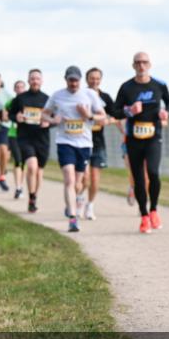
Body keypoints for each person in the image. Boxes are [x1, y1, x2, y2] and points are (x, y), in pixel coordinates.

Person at [112, 52, 169, 233]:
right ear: (133, 65)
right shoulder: (126, 87)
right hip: (134, 138)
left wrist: (166, 113)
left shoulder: (159, 85)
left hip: (154, 136)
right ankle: (144, 216)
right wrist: (130, 110)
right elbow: (115, 112)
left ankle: (154, 210)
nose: (141, 65)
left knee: (153, 173)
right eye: (138, 63)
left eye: (144, 62)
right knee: (138, 178)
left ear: (150, 64)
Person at [42, 65, 106, 232]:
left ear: (80, 80)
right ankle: (72, 218)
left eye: (76, 80)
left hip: (84, 144)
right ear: (66, 79)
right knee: (69, 180)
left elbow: (103, 118)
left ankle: (74, 200)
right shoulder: (57, 96)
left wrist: (88, 116)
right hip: (65, 142)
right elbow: (43, 113)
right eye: (71, 80)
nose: (73, 83)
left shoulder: (90, 95)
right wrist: (53, 120)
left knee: (78, 182)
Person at [8, 69, 50, 213]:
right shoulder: (20, 98)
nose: (35, 81)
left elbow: (56, 117)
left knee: (39, 171)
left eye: (37, 78)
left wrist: (49, 123)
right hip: (25, 138)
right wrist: (16, 117)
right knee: (31, 166)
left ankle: (34, 196)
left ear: (42, 81)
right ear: (28, 80)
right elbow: (11, 114)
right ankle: (31, 197)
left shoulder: (47, 99)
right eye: (32, 78)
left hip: (42, 139)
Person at [82, 67, 121, 221]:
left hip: (98, 142)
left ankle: (90, 205)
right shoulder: (81, 95)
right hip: (82, 141)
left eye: (97, 78)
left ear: (101, 80)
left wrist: (107, 121)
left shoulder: (105, 97)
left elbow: (117, 115)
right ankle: (79, 199)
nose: (94, 81)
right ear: (87, 79)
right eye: (92, 78)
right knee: (84, 178)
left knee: (95, 178)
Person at [6, 80, 27, 199]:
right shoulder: (11, 102)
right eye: (17, 87)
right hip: (13, 134)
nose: (19, 89)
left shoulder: (29, 101)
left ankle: (20, 185)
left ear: (25, 89)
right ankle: (18, 187)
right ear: (14, 89)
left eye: (21, 87)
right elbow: (5, 114)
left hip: (26, 135)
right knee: (18, 160)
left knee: (23, 163)